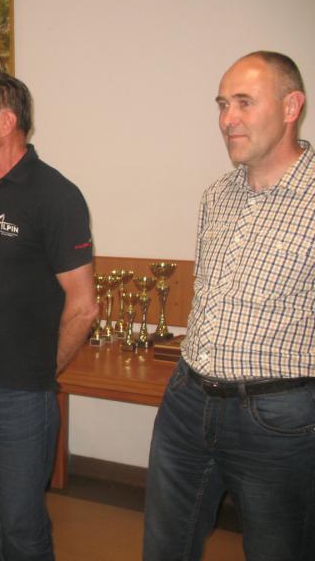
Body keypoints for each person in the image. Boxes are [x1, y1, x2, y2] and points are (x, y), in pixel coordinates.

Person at [143, 51, 314, 560]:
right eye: (222, 104)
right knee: (163, 548)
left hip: (276, 416)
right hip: (186, 401)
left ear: (291, 107)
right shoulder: (217, 195)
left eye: (244, 102)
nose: (227, 119)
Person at [0, 72, 97, 561]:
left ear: (7, 122)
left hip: (21, 395)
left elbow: (83, 306)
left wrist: (40, 374)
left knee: (21, 525)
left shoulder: (56, 196)